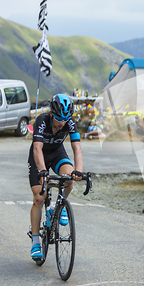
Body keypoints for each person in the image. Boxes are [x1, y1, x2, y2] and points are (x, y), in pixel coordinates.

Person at [28, 94, 83, 260]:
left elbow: (77, 148)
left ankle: (55, 208)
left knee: (69, 176)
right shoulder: (42, 120)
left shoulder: (69, 123)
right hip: (40, 155)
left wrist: (78, 170)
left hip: (57, 153)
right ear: (52, 114)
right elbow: (37, 149)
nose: (62, 123)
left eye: (65, 119)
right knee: (39, 197)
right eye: (59, 119)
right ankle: (36, 241)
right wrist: (43, 170)